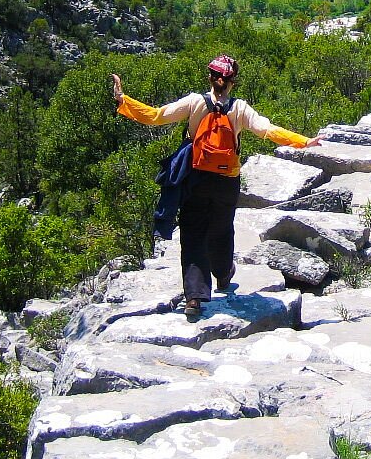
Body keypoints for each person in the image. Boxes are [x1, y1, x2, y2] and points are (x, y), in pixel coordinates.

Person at [111, 54, 322, 317]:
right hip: (227, 180)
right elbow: (267, 130)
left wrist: (124, 100)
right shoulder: (240, 109)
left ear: (210, 78)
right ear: (232, 82)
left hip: (196, 176)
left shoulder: (194, 102)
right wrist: (304, 141)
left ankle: (195, 298)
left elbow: (156, 116)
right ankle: (223, 274)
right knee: (221, 229)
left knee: (193, 233)